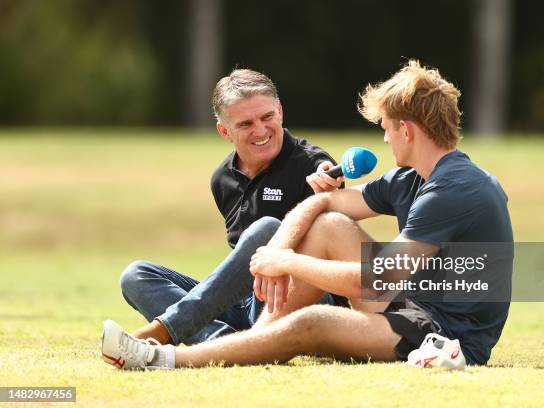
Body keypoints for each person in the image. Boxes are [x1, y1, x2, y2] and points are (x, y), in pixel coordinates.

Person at [101, 60, 513, 370]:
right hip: (411, 308)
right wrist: (277, 246)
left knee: (312, 320)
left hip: (444, 335)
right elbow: (328, 204)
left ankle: (166, 359)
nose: (384, 137)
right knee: (331, 224)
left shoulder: (455, 187)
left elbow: (376, 277)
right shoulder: (411, 177)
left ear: (406, 129)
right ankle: (257, 343)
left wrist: (287, 260)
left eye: (386, 127)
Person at [116, 68, 344, 347]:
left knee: (268, 230)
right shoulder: (221, 178)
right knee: (136, 275)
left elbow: (334, 217)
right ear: (225, 131)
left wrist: (330, 188)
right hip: (249, 303)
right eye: (246, 124)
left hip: (301, 299)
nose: (260, 130)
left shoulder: (313, 165)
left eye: (267, 117)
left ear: (280, 111)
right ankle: (225, 342)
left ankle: (168, 328)